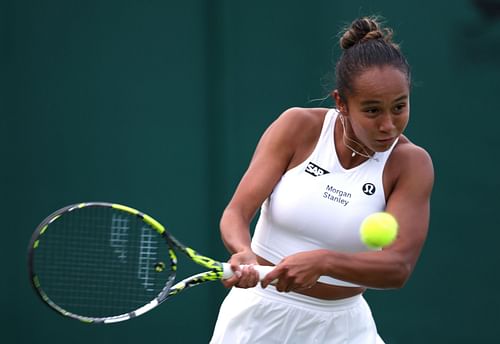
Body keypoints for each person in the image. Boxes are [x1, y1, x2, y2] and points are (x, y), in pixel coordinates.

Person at [210, 16, 434, 344]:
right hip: (259, 318)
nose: (388, 125)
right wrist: (242, 250)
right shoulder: (297, 127)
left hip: (345, 327)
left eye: (399, 107)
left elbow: (398, 267)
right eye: (372, 111)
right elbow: (236, 212)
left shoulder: (411, 164)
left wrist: (325, 262)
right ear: (341, 102)